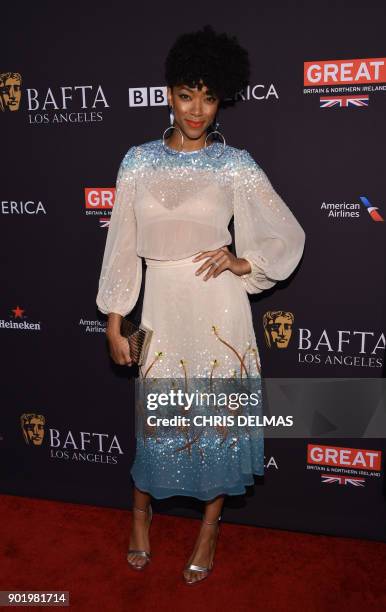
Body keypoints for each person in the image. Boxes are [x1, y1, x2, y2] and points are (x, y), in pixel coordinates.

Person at [96, 24, 306, 585]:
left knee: (218, 422)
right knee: (157, 421)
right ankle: (140, 513)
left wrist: (245, 262)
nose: (197, 109)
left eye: (209, 96)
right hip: (161, 306)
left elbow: (286, 232)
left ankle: (210, 528)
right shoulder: (137, 161)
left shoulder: (235, 163)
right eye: (187, 94)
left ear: (221, 100)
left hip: (220, 309)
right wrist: (116, 319)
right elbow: (120, 244)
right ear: (168, 92)